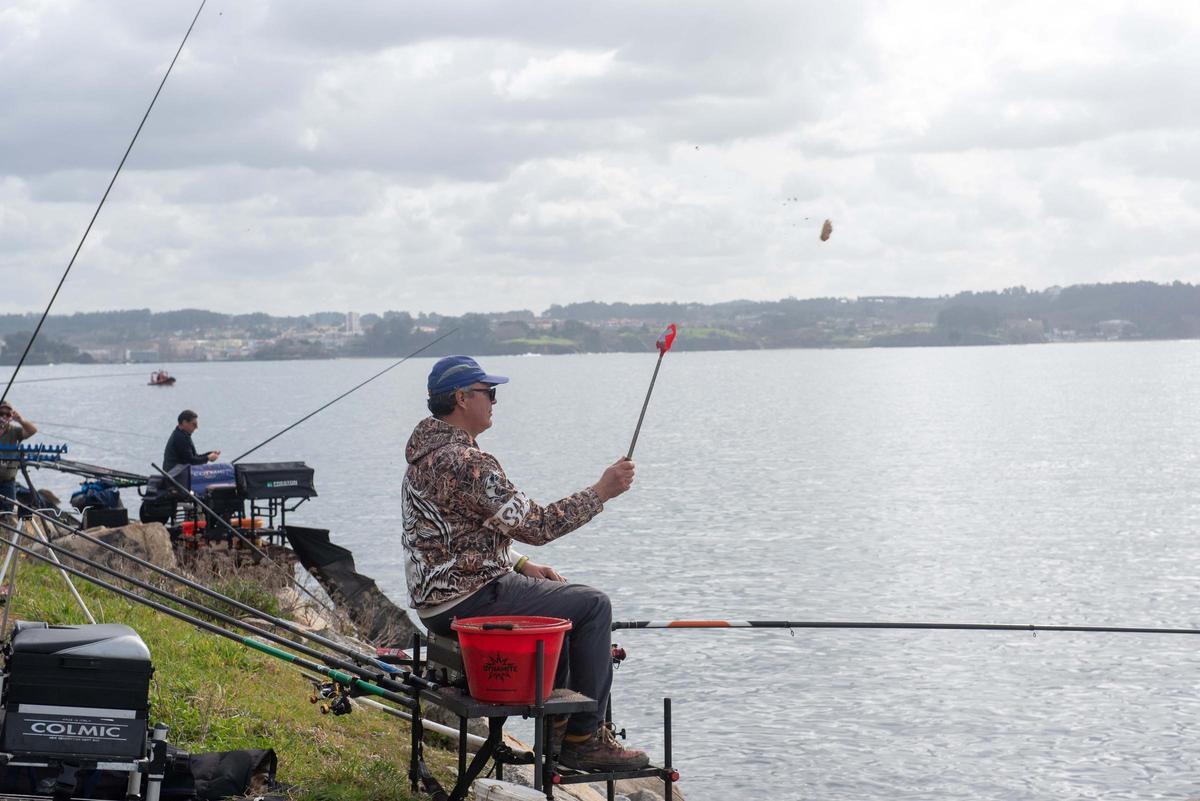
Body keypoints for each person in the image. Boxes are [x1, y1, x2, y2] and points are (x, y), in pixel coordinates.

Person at [402, 355, 649, 772]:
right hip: (471, 599)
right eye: (489, 393)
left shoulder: (422, 460)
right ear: (462, 398)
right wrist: (601, 491)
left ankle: (556, 733)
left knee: (561, 606)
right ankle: (584, 739)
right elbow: (538, 524)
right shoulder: (469, 463)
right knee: (593, 606)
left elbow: (446, 537)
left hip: (436, 603)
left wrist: (520, 564)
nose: (495, 402)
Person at [0, 401, 38, 515]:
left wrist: (20, 420)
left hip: (8, 482)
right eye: (1, 413)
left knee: (7, 514)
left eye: (7, 414)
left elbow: (32, 430)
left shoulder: (14, 431)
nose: (4, 417)